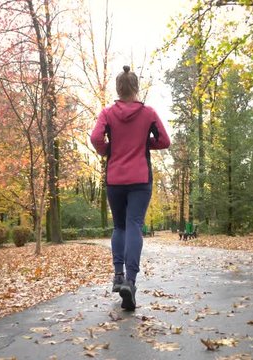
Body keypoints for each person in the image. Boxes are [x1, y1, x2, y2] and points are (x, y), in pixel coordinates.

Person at [90, 65, 170, 310]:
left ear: (118, 88)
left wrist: (109, 151)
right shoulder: (148, 113)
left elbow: (95, 139)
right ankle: (130, 282)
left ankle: (117, 274)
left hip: (115, 178)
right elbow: (165, 141)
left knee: (120, 226)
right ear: (136, 88)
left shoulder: (107, 113)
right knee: (135, 224)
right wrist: (146, 144)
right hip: (140, 178)